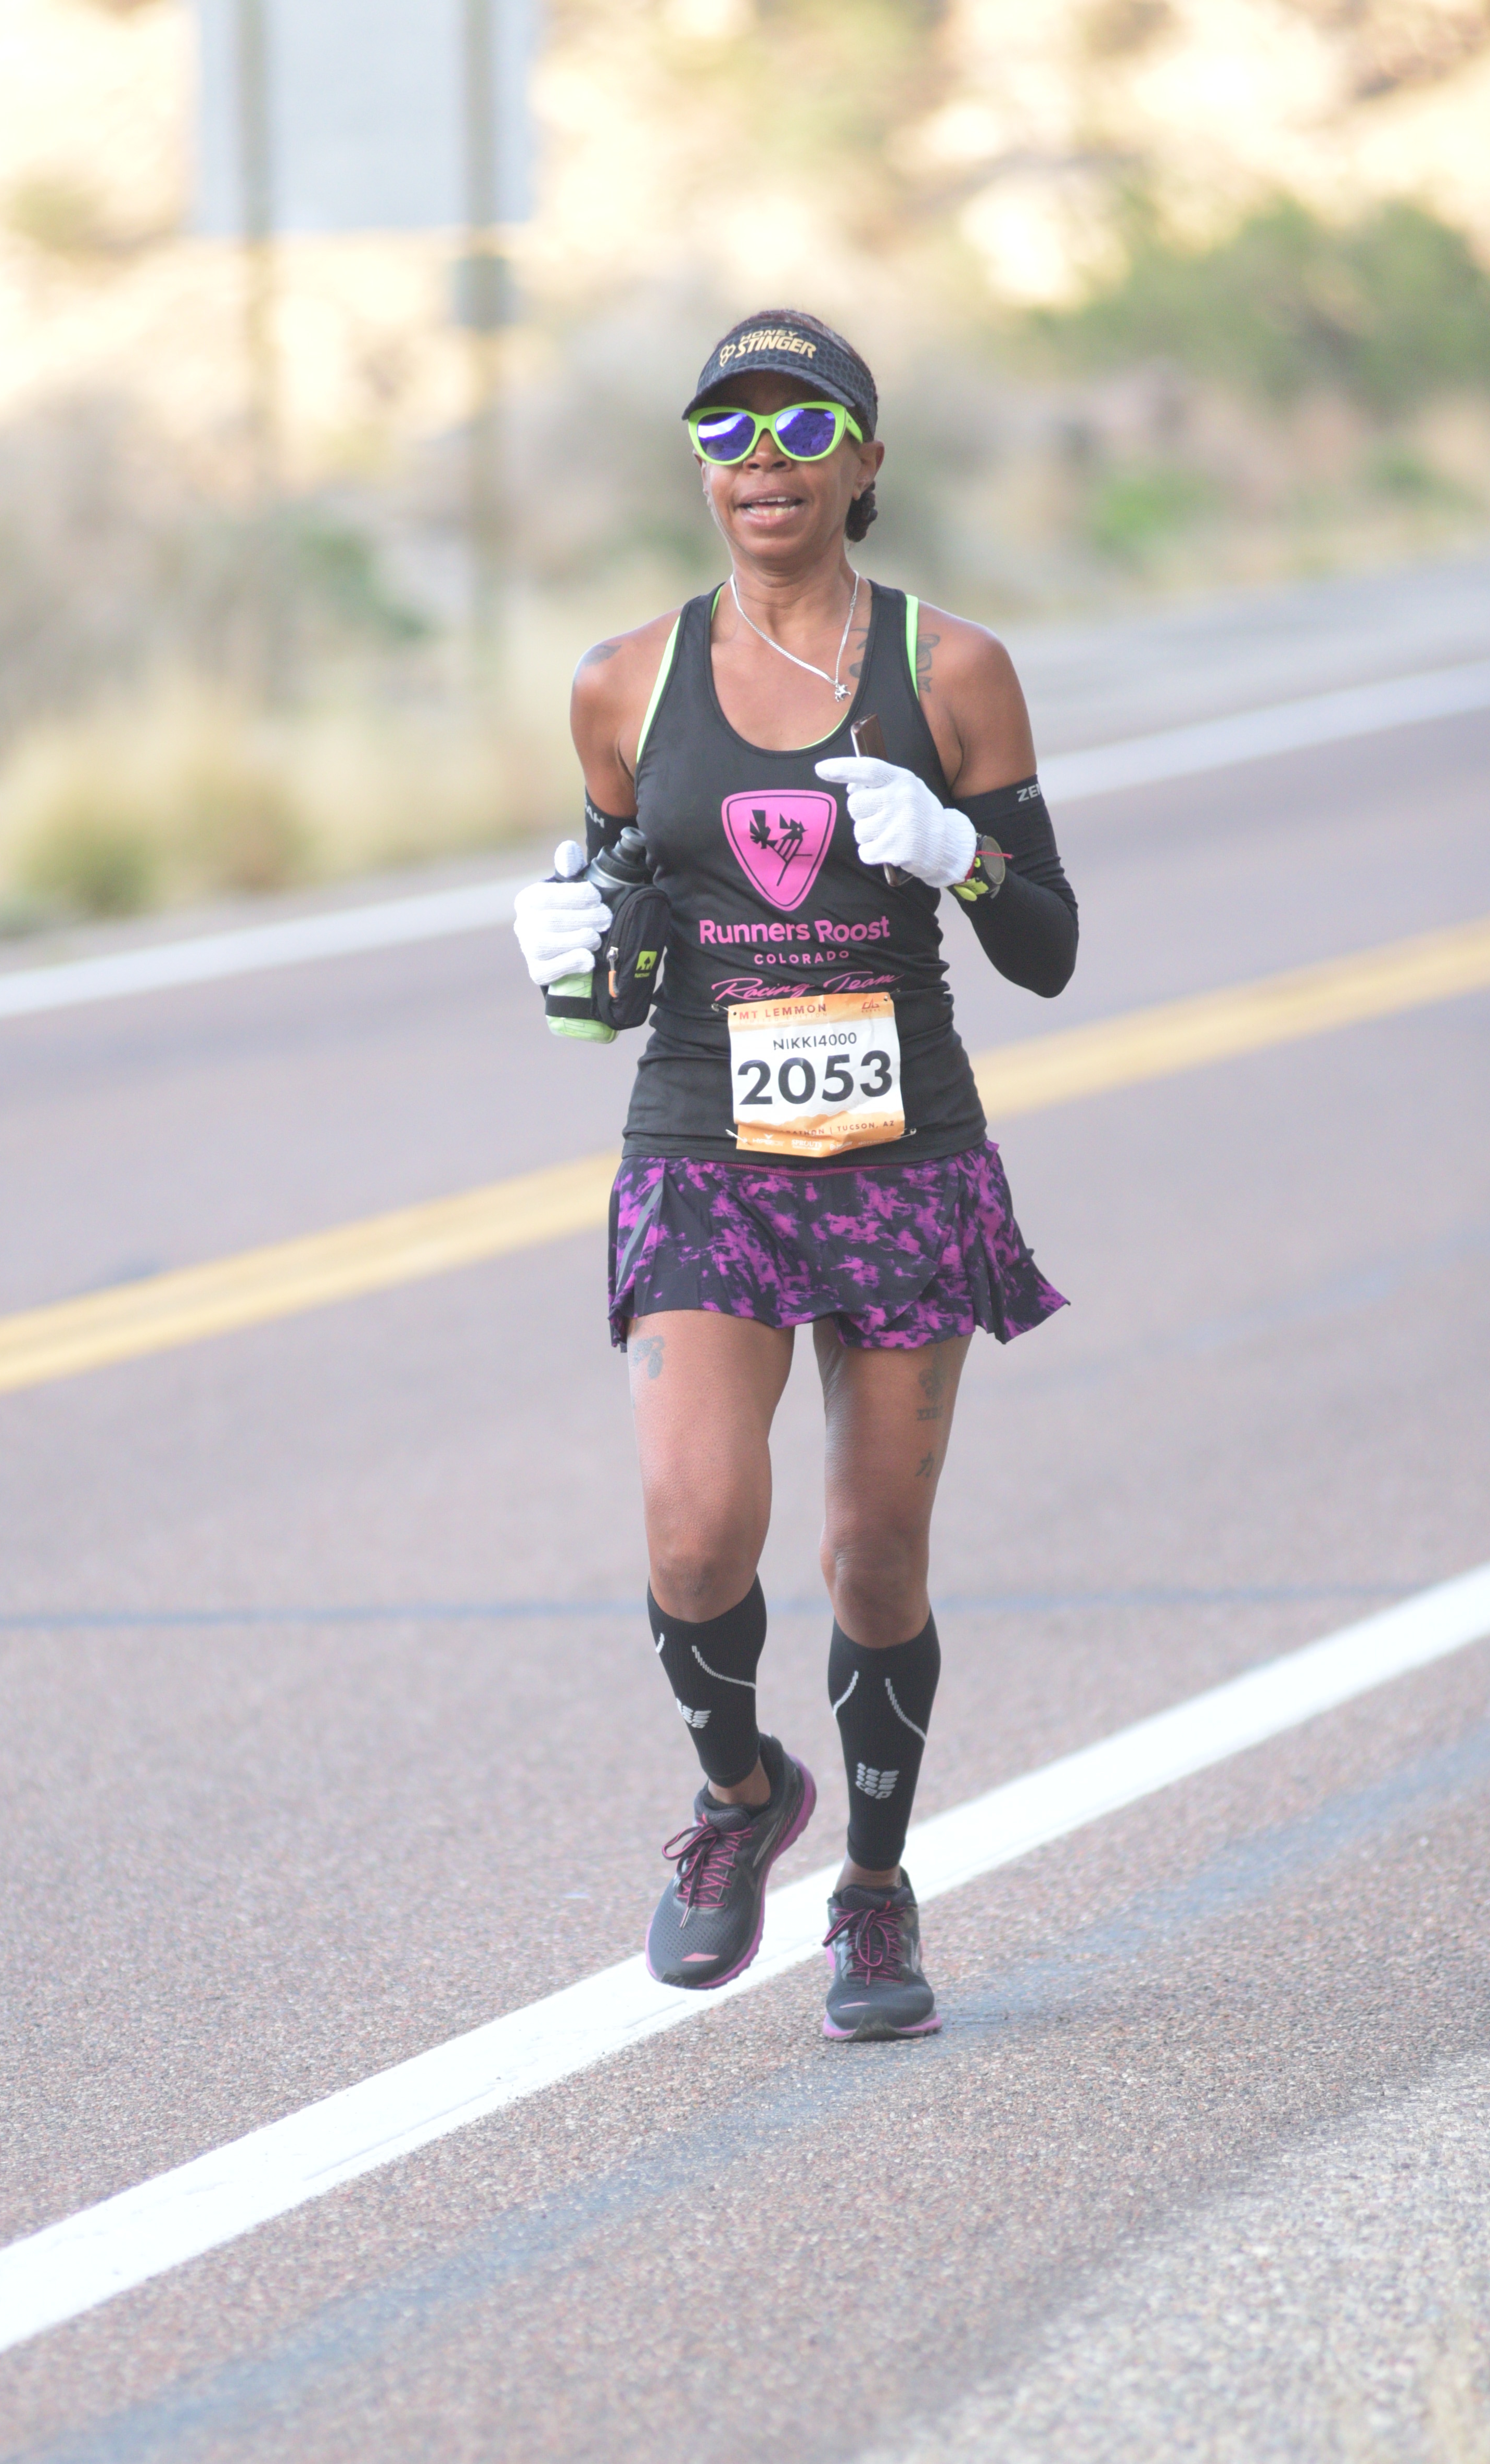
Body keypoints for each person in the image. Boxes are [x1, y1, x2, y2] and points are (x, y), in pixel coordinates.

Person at [512, 308, 1078, 2039]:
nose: (762, 460)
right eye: (726, 430)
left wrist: (961, 852)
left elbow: (1048, 949)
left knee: (874, 1560)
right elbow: (614, 963)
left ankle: (877, 1895)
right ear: (700, 467)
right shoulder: (625, 684)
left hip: (904, 1154)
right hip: (709, 1147)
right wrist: (565, 954)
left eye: (802, 425)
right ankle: (743, 1794)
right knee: (696, 1536)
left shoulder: (952, 670)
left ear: (865, 460)